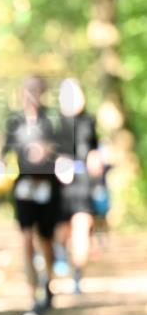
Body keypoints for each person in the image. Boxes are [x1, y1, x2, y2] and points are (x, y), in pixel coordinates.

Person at [2, 75, 59, 315]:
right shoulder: (14, 122)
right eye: (27, 89)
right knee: (26, 240)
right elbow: (3, 151)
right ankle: (32, 294)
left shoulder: (52, 120)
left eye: (35, 89)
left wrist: (49, 150)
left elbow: (66, 149)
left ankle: (48, 284)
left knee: (45, 240)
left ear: (42, 91)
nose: (30, 94)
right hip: (24, 186)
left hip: (48, 185)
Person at [54, 78, 103, 294]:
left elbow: (94, 151)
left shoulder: (88, 120)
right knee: (63, 229)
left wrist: (98, 177)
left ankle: (77, 275)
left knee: (82, 226)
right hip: (61, 182)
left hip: (83, 181)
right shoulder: (56, 122)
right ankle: (61, 256)